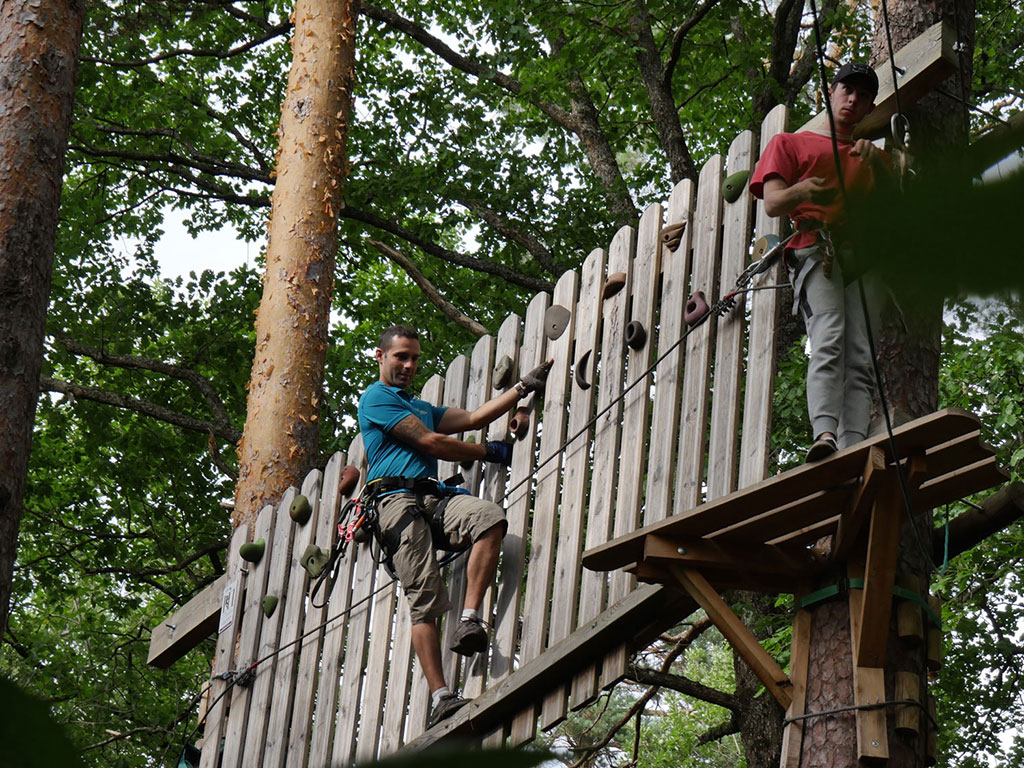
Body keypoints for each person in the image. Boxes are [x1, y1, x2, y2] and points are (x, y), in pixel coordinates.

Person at [357, 324, 552, 728]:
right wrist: (486, 451)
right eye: (400, 356)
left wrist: (522, 388)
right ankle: (442, 698)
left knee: (488, 519)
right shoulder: (376, 398)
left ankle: (468, 620)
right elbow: (430, 443)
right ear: (380, 356)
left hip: (432, 497)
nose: (408, 365)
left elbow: (475, 416)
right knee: (423, 596)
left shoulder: (421, 406)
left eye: (413, 358)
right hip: (394, 503)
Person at [750, 62, 892, 462]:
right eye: (847, 90)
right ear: (829, 93)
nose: (853, 100)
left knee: (861, 353)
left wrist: (881, 165)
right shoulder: (792, 143)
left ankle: (855, 445)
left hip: (862, 256)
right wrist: (803, 191)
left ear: (869, 107)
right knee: (829, 336)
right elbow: (773, 201)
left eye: (863, 96)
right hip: (817, 246)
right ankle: (825, 434)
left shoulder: (868, 156)